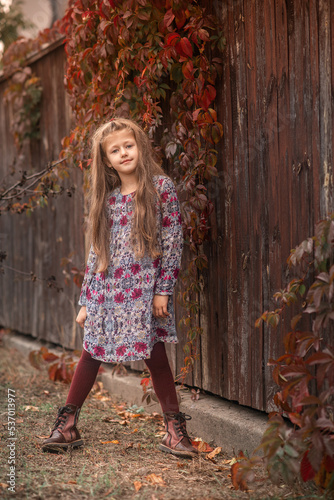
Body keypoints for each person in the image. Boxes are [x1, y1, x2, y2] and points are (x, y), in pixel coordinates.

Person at [42, 118, 198, 458]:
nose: (123, 153)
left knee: (155, 353)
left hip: (143, 292)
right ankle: (67, 426)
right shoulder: (108, 200)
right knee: (92, 352)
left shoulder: (161, 188)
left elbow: (172, 243)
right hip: (108, 292)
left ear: (139, 147)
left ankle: (174, 431)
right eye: (115, 150)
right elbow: (97, 252)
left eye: (128, 145)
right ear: (107, 160)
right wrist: (86, 300)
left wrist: (163, 290)